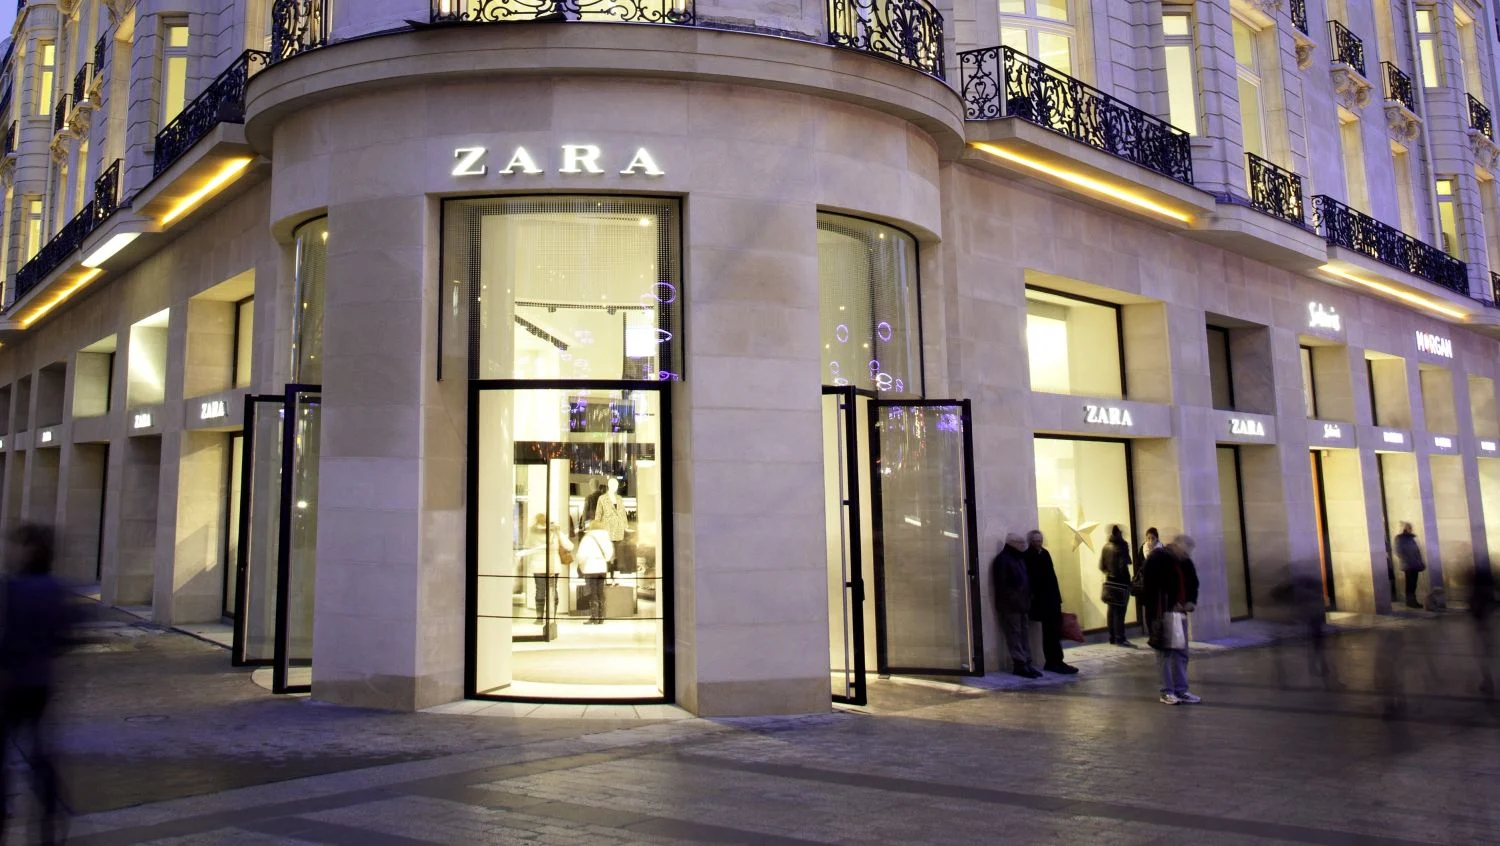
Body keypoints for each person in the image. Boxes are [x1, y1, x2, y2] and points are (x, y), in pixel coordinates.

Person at [0, 523, 73, 844]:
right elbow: (66, 635)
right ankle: (50, 803)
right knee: (38, 748)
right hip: (41, 681)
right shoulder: (55, 588)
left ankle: (7, 807)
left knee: (8, 748)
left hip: (14, 681)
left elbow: (8, 637)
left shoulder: (16, 587)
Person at [1143, 534, 1200, 705]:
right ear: (1175, 546)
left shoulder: (1184, 562)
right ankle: (1167, 691)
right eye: (1184, 551)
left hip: (1179, 613)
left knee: (1181, 653)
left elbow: (1193, 583)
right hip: (1163, 614)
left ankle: (1181, 690)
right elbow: (1150, 587)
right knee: (1165, 655)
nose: (1186, 555)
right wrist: (1169, 604)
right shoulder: (1158, 558)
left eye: (1188, 552)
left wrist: (1190, 601)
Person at [1024, 530, 1077, 675]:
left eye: (1040, 540)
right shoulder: (1028, 556)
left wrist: (1058, 598)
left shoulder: (1045, 554)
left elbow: (1052, 577)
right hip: (1042, 601)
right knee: (1049, 633)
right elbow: (1032, 580)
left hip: (1052, 599)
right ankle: (1052, 661)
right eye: (1035, 541)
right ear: (1031, 542)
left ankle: (1057, 660)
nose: (1038, 543)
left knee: (1054, 632)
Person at [992, 534, 1040, 678]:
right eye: (1020, 543)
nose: (1023, 545)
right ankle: (1020, 664)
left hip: (1021, 603)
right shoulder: (1003, 560)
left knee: (1023, 634)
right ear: (1013, 544)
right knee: (1014, 634)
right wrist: (1014, 598)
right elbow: (1003, 585)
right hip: (1011, 606)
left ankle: (1027, 663)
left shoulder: (1018, 559)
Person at [527, 514, 572, 624]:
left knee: (540, 591)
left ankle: (539, 618)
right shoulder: (554, 532)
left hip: (538, 566)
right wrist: (559, 531)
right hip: (553, 566)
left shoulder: (532, 532)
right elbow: (569, 546)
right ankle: (552, 618)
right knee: (553, 590)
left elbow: (527, 546)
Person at [1099, 525, 1135, 648]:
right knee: (1120, 612)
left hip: (1110, 582)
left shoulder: (1106, 547)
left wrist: (1109, 574)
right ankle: (1120, 637)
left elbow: (1102, 566)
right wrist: (1128, 583)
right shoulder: (1122, 546)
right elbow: (1124, 564)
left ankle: (1112, 637)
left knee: (1111, 610)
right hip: (1121, 583)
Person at [575, 519, 614, 624]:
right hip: (602, 569)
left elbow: (582, 555)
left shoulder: (588, 538)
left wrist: (580, 564)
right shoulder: (606, 538)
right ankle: (601, 617)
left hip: (590, 568)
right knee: (600, 592)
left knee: (593, 593)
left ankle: (594, 617)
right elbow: (609, 554)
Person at [1393, 522, 1425, 609]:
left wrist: (1420, 562)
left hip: (1414, 564)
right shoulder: (1400, 539)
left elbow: (1417, 552)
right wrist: (1407, 560)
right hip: (1408, 565)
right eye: (1409, 528)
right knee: (1410, 584)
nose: (1411, 529)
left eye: (1410, 527)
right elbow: (1398, 551)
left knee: (1413, 584)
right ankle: (1411, 601)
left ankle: (1412, 601)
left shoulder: (1411, 538)